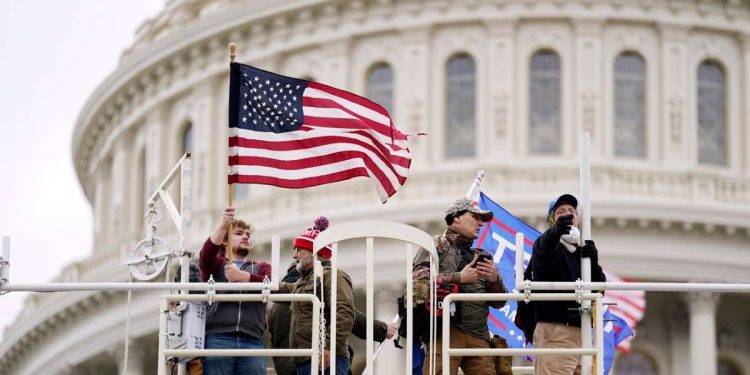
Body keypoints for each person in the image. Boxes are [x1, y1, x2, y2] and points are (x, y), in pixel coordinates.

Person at [412, 197, 507, 375]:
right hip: (445, 333)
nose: (480, 223)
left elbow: (500, 302)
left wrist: (494, 279)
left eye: (482, 219)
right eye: (475, 217)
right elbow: (418, 284)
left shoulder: (482, 256)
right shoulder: (436, 245)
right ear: (456, 217)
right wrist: (459, 278)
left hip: (479, 337)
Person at [268, 262, 397, 375]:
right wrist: (382, 329)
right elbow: (348, 316)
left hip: (288, 366)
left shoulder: (276, 305)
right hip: (317, 362)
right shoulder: (310, 287)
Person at [530, 194, 606, 375]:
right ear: (552, 221)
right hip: (556, 331)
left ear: (579, 219)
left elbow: (598, 290)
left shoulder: (581, 253)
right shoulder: (547, 248)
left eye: (572, 211)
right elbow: (543, 249)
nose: (568, 214)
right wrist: (554, 233)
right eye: (560, 212)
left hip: (583, 332)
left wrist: (593, 263)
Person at [277, 217, 356, 375]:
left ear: (314, 251)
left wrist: (328, 346)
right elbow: (282, 289)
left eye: (298, 249)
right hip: (306, 360)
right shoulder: (304, 281)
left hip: (325, 359)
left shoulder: (333, 275)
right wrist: (248, 279)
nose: (294, 256)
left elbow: (345, 312)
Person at [198, 206, 271, 375]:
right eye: (239, 233)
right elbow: (205, 256)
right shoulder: (216, 265)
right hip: (219, 337)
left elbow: (271, 284)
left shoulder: (261, 267)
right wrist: (223, 224)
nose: (245, 237)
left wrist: (241, 276)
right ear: (225, 241)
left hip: (252, 339)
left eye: (248, 235)